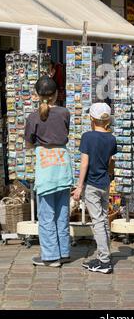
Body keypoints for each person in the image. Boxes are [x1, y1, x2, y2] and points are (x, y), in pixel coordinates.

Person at [25, 76, 73, 267]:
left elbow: (29, 143)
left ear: (37, 95)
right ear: (56, 95)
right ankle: (63, 252)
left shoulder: (33, 116)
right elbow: (65, 133)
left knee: (46, 214)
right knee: (62, 212)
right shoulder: (65, 112)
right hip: (62, 164)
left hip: (45, 166)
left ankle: (51, 256)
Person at [72, 103, 117, 274]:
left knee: (97, 221)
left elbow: (84, 164)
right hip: (105, 182)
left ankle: (104, 260)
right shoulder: (111, 138)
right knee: (103, 219)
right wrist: (110, 177)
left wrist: (79, 186)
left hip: (91, 184)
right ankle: (104, 254)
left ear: (91, 118)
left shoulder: (88, 137)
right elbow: (110, 162)